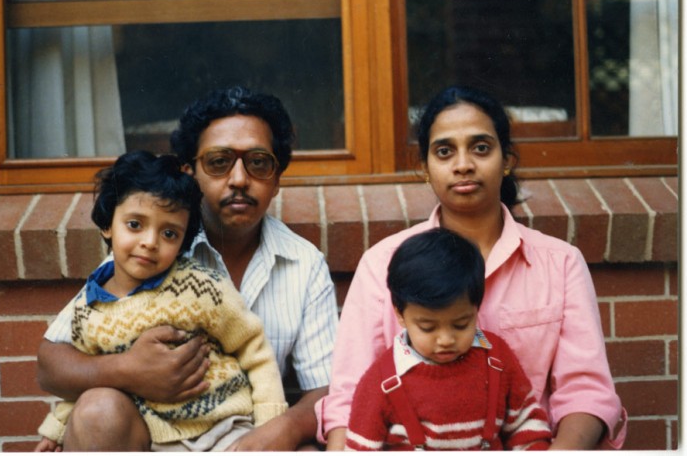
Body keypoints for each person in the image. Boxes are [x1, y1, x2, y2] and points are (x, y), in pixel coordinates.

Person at [317, 85, 627, 450]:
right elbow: (349, 398)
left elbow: (586, 393)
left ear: (507, 160)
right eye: (444, 151)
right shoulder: (381, 264)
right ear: (424, 168)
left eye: (481, 148)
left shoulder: (559, 263)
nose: (463, 164)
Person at [37, 86, 338, 451]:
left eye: (259, 162)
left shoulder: (303, 265)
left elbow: (326, 389)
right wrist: (131, 370)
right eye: (218, 161)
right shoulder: (151, 251)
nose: (240, 179)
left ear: (276, 179)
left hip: (240, 432)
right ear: (189, 172)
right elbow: (51, 363)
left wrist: (276, 432)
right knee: (97, 409)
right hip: (150, 435)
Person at [35, 150, 288, 451]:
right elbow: (84, 384)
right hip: (154, 438)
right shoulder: (88, 309)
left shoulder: (199, 286)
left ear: (183, 241)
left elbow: (253, 346)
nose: (150, 242)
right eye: (135, 225)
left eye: (169, 233)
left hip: (225, 428)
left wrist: (270, 423)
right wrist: (56, 430)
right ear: (107, 225)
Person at [345, 227, 551, 451]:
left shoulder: (496, 359)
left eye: (460, 325)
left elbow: (526, 428)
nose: (445, 339)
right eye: (428, 327)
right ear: (400, 314)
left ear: (476, 308)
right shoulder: (383, 382)